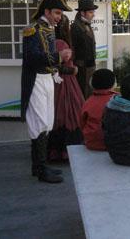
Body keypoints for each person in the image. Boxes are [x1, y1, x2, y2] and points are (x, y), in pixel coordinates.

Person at [21, 0, 72, 183]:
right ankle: (41, 169)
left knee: (47, 122)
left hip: (47, 79)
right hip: (36, 80)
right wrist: (60, 57)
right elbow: (32, 58)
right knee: (40, 123)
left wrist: (64, 68)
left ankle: (39, 166)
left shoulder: (49, 29)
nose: (59, 17)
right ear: (47, 11)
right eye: (57, 13)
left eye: (60, 13)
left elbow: (49, 60)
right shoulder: (32, 30)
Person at [48, 15, 84, 162]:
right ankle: (65, 151)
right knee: (67, 113)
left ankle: (53, 151)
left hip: (56, 84)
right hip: (65, 83)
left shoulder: (50, 42)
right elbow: (57, 66)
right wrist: (73, 70)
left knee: (56, 113)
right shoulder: (61, 43)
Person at [79, 69, 116, 151]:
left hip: (92, 143)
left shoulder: (88, 102)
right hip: (116, 143)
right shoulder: (119, 99)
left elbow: (82, 123)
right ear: (114, 83)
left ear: (92, 83)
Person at [71, 0, 98, 99]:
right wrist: (75, 65)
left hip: (90, 67)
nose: (93, 14)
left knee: (90, 94)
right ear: (82, 12)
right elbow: (72, 48)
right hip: (82, 69)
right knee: (83, 96)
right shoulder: (75, 27)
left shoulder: (87, 25)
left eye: (93, 12)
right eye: (91, 12)